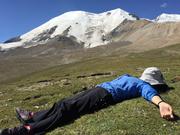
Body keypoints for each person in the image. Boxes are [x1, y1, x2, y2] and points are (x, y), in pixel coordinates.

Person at [0, 67, 175, 135]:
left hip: (103, 96)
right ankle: (32, 116)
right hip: (98, 91)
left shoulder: (142, 85)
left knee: (66, 110)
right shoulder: (131, 78)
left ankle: (25, 130)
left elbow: (149, 93)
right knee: (62, 104)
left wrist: (161, 104)